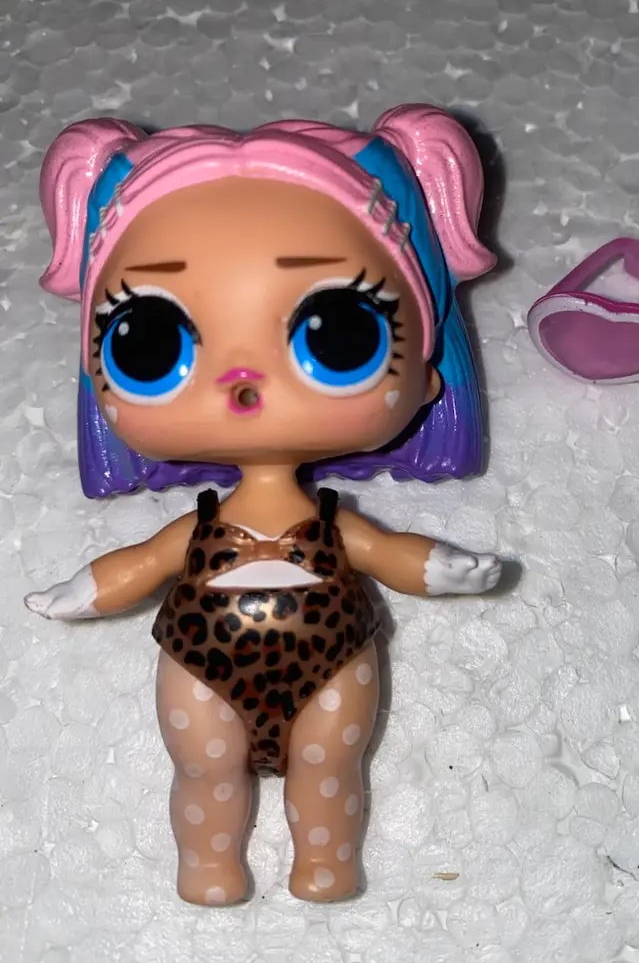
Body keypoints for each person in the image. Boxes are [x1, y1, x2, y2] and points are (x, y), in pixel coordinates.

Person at [24, 104, 502, 906]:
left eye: (339, 335)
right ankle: (207, 867)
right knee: (203, 769)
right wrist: (82, 590)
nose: (242, 383)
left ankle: (326, 866)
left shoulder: (332, 525)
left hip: (333, 658)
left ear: (427, 374)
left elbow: (388, 554)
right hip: (200, 661)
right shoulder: (204, 527)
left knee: (331, 765)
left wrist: (443, 567)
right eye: (149, 341)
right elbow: (144, 563)